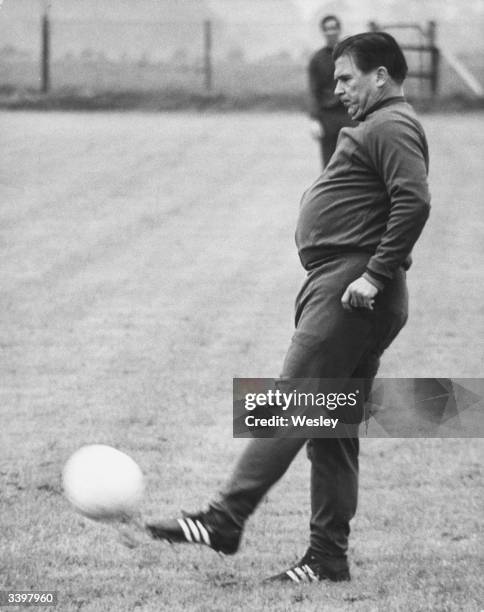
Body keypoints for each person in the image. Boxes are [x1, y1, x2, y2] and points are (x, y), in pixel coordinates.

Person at [142, 32, 431, 584]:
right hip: (348, 284)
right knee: (333, 429)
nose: (336, 87)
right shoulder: (381, 123)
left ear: (381, 76)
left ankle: (225, 519)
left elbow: (414, 200)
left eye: (346, 77)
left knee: (293, 403)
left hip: (353, 288)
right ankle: (327, 558)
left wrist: (372, 273)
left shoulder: (391, 122)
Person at [308, 15, 354, 168]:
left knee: (352, 162)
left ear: (339, 30)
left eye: (334, 28)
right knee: (329, 165)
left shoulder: (349, 57)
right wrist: (314, 120)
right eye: (327, 29)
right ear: (323, 32)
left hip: (349, 115)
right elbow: (313, 91)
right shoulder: (317, 59)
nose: (331, 32)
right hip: (327, 117)